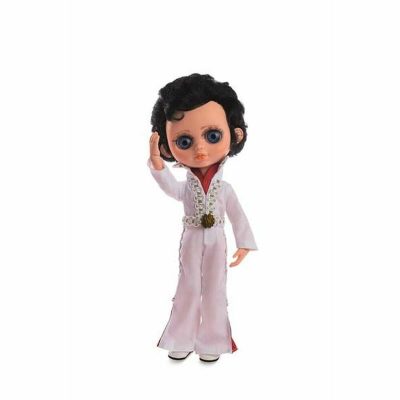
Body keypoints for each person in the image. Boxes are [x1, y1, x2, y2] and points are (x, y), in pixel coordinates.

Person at [148, 73, 257, 362]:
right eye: (184, 140)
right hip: (192, 238)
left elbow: (237, 215)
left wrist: (244, 242)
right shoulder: (186, 187)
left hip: (217, 240)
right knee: (188, 285)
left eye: (213, 136)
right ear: (167, 146)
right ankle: (181, 338)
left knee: (215, 288)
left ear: (234, 134)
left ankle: (212, 340)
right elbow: (171, 188)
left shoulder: (225, 189)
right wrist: (157, 165)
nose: (200, 149)